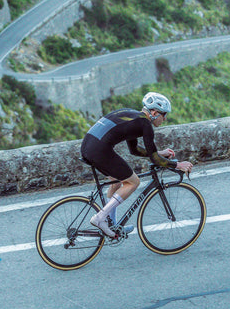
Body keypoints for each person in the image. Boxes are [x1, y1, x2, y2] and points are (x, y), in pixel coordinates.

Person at [80, 91, 193, 238]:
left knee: (117, 183)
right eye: (164, 114)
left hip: (88, 147)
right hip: (99, 150)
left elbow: (134, 150)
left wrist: (158, 152)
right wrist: (177, 165)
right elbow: (155, 160)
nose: (165, 119)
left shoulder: (134, 117)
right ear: (154, 112)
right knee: (133, 182)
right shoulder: (144, 124)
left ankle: (112, 224)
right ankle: (100, 218)